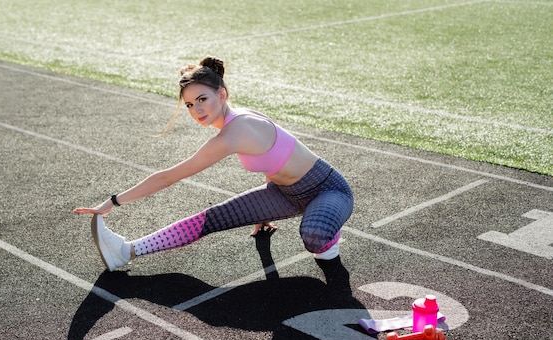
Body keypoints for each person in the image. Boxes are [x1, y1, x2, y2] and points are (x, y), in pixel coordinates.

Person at [74, 56, 354, 274]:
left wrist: (113, 202)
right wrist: (264, 208)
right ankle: (125, 251)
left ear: (222, 95)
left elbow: (168, 177)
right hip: (284, 193)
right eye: (189, 105)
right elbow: (277, 158)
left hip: (328, 190)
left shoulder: (235, 132)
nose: (196, 110)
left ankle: (328, 232)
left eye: (202, 99)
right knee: (212, 218)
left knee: (315, 235)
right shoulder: (234, 126)